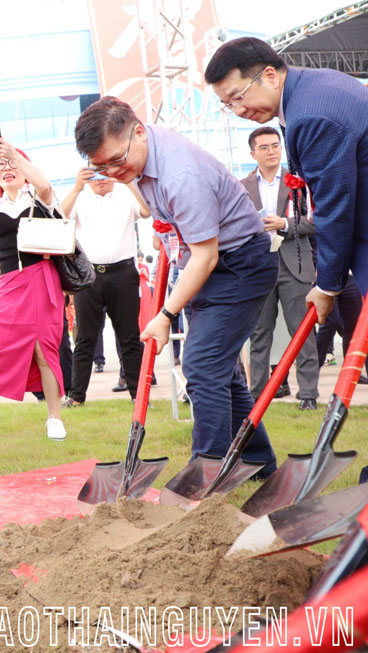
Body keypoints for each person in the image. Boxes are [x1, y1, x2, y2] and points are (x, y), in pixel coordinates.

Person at [74, 97, 278, 478]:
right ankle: (258, 464)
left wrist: (166, 315)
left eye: (117, 161)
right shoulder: (143, 155)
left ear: (137, 131)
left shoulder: (180, 174)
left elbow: (207, 257)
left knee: (201, 366)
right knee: (220, 371)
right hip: (207, 263)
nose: (114, 173)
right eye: (101, 166)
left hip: (238, 265)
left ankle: (206, 471)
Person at [205, 36, 368, 323]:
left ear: (269, 75)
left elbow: (334, 206)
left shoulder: (311, 116)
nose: (239, 111)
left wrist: (327, 286)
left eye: (239, 96)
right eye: (228, 105)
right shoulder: (311, 88)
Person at [0, 135, 67, 441]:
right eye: (0, 166)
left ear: (23, 166)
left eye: (12, 164)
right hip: (8, 284)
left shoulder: (39, 196)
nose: (6, 169)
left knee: (44, 350)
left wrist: (13, 154)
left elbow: (45, 185)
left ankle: (54, 417)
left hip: (41, 280)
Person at [240, 126, 319, 410]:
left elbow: (316, 221)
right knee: (259, 333)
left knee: (302, 331)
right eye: (264, 147)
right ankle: (257, 394)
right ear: (253, 153)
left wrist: (284, 224)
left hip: (295, 263)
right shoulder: (243, 187)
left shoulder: (298, 182)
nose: (271, 151)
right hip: (259, 267)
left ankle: (308, 394)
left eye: (275, 145)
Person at [59, 167, 151, 407]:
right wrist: (77, 186)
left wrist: (127, 180)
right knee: (85, 338)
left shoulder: (125, 193)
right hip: (89, 276)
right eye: (95, 174)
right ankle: (77, 396)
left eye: (105, 173)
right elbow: (59, 218)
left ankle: (138, 396)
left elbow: (147, 210)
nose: (100, 179)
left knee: (130, 336)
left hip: (123, 273)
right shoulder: (80, 197)